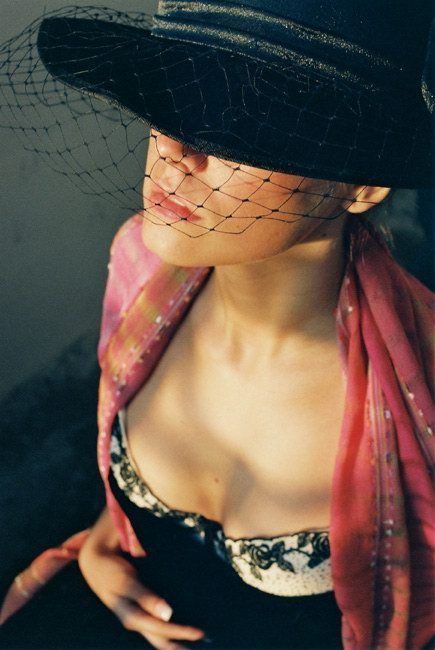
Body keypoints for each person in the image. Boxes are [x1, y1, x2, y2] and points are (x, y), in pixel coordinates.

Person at [0, 1, 433, 649]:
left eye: (241, 121)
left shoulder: (419, 383)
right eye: (173, 97)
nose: (174, 149)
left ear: (360, 184)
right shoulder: (140, 266)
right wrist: (104, 540)